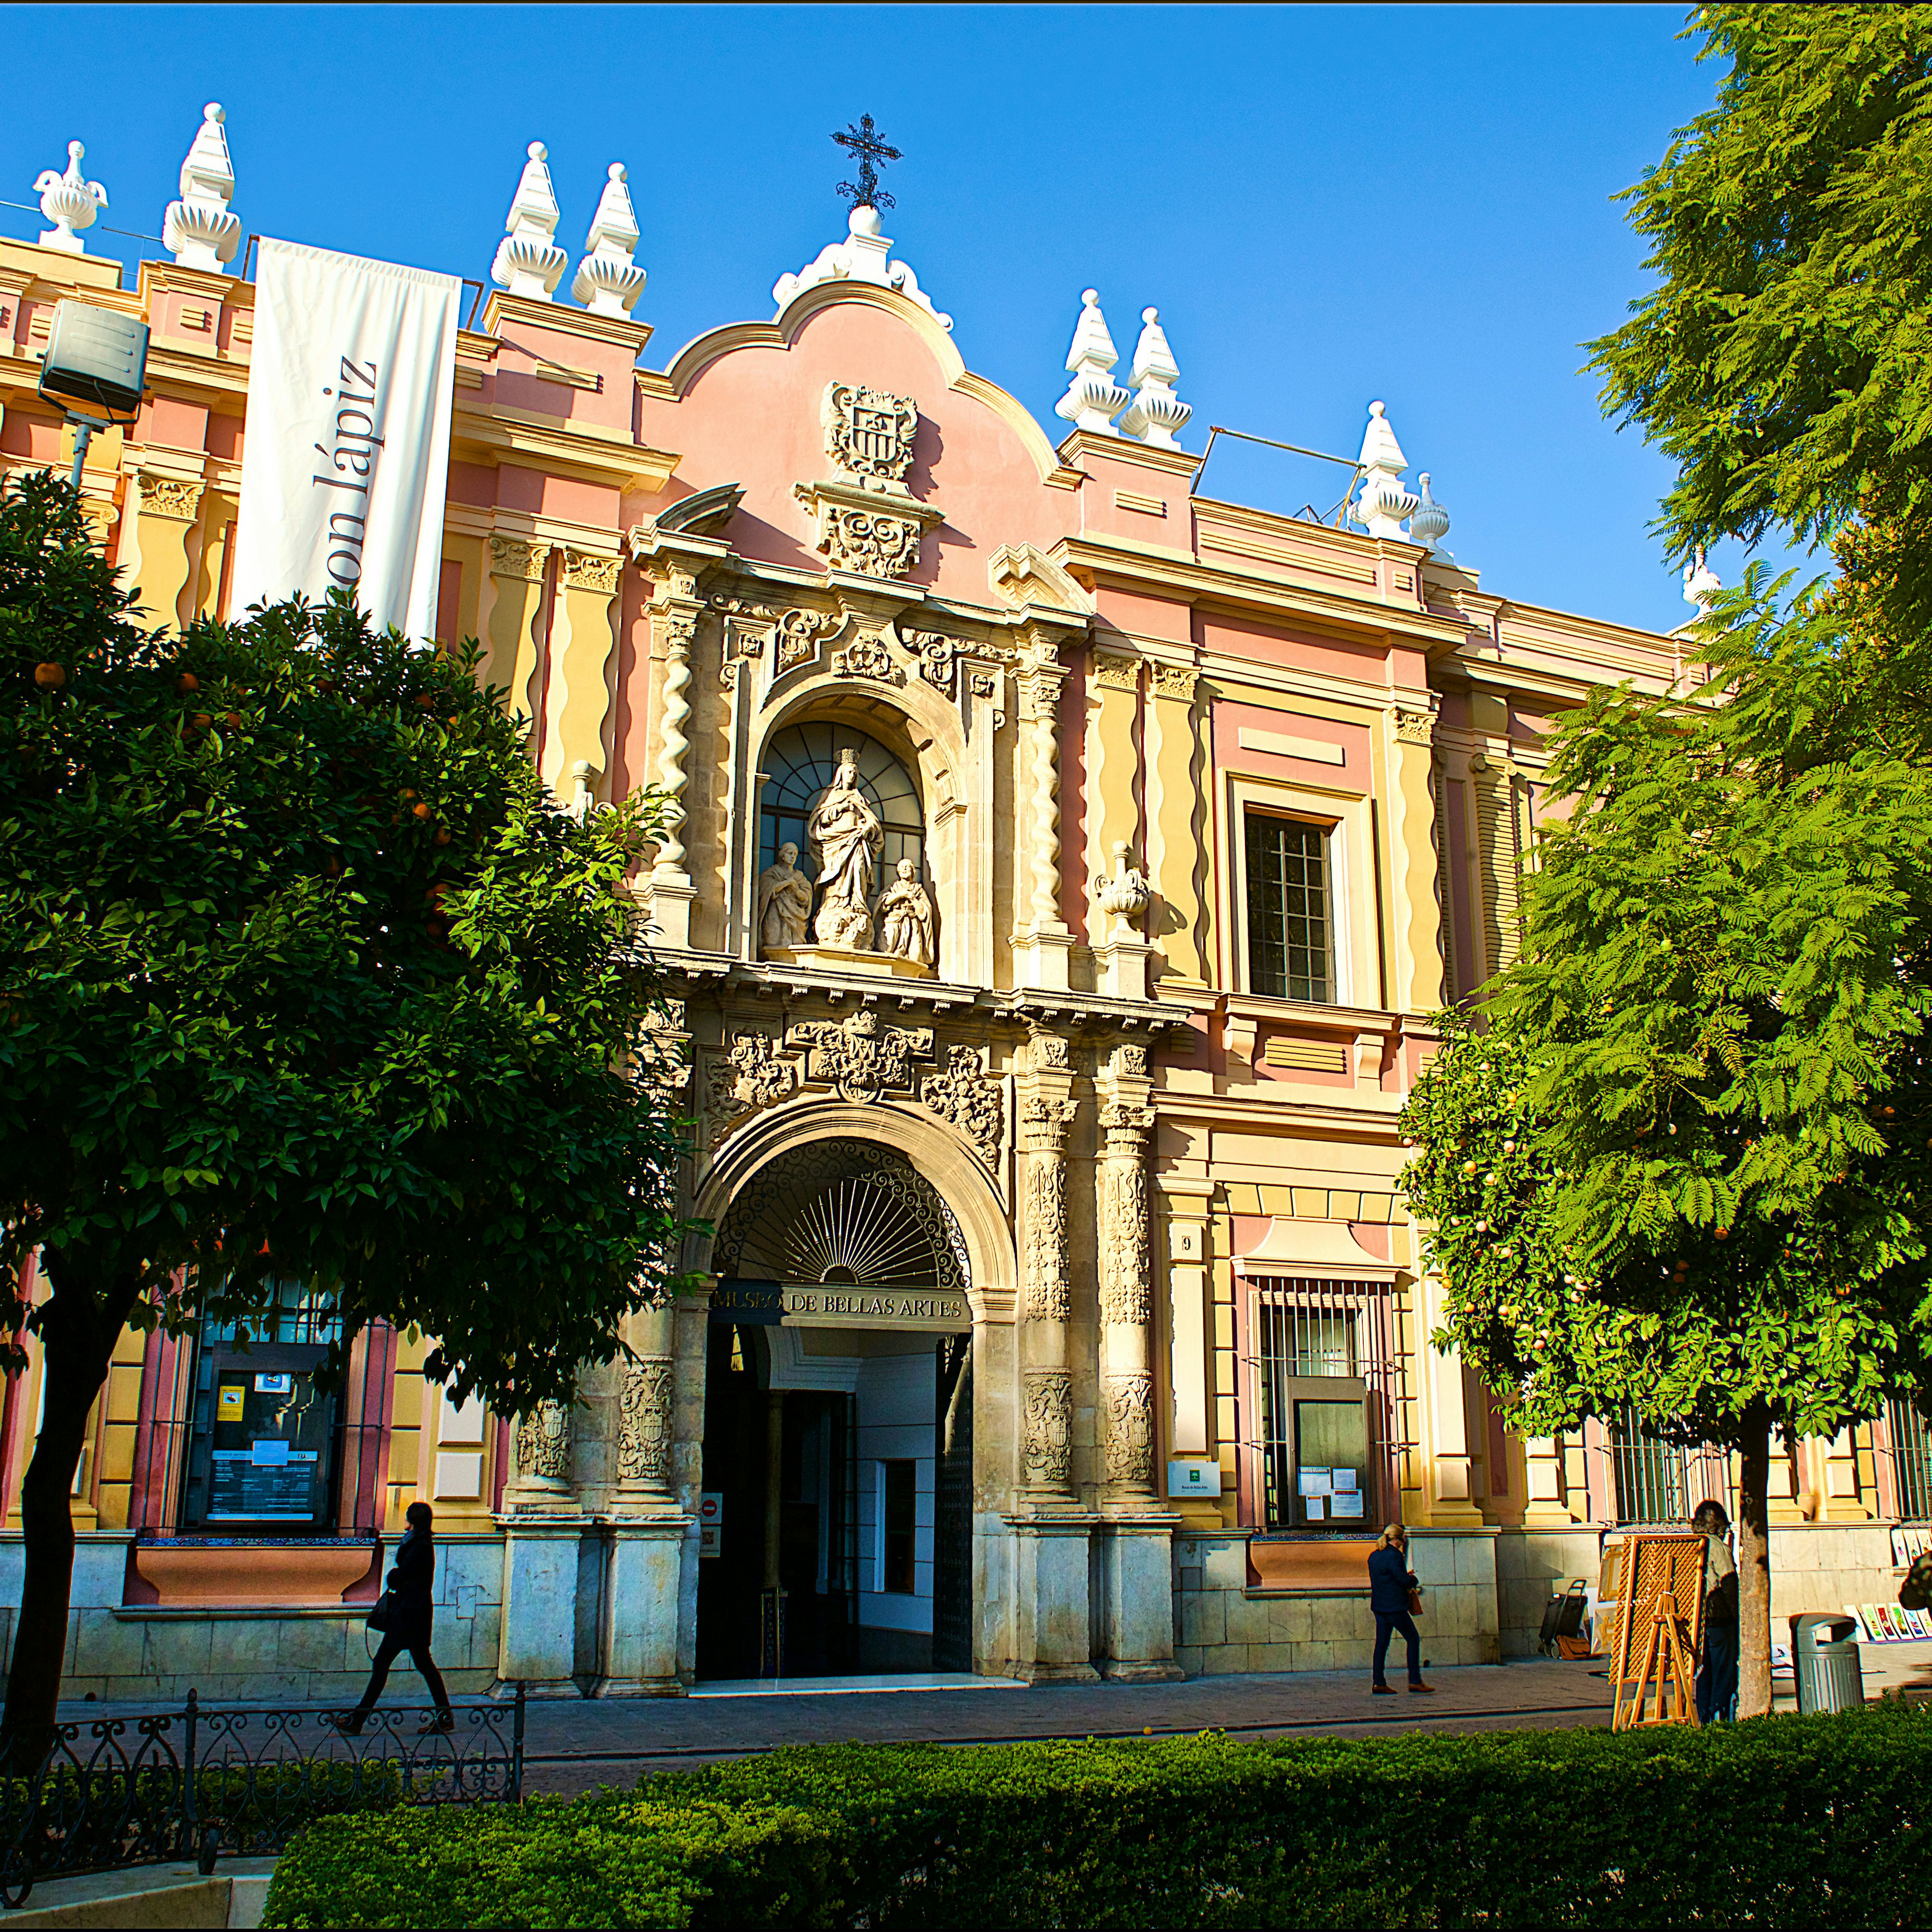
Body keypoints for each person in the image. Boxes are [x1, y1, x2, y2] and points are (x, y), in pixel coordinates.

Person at [341, 1501, 453, 1734]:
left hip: (408, 1617)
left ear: (413, 1522)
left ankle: (357, 1720)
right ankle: (445, 1717)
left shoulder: (420, 1545)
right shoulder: (421, 1543)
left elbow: (400, 1576)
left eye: (407, 1520)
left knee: (384, 1663)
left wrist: (393, 1575)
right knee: (424, 1665)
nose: (405, 1525)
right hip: (413, 1616)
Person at [1368, 1523, 1433, 1695]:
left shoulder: (1374, 1556)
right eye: (1402, 1539)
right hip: (1395, 1606)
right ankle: (1415, 1681)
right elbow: (1402, 1581)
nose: (1404, 1542)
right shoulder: (1395, 1556)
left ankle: (1379, 1682)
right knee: (1413, 1639)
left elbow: (1385, 1579)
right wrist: (1414, 1579)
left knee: (1381, 1644)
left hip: (1380, 1606)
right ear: (1396, 1539)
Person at [1692, 1498, 1739, 1725]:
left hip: (1697, 1623)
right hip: (1720, 1621)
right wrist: (1739, 1616)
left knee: (1704, 1674)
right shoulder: (1718, 1548)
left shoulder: (1690, 1545)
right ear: (1719, 1526)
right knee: (1722, 1674)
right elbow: (1729, 1584)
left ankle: (1705, 1719)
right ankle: (1721, 1721)